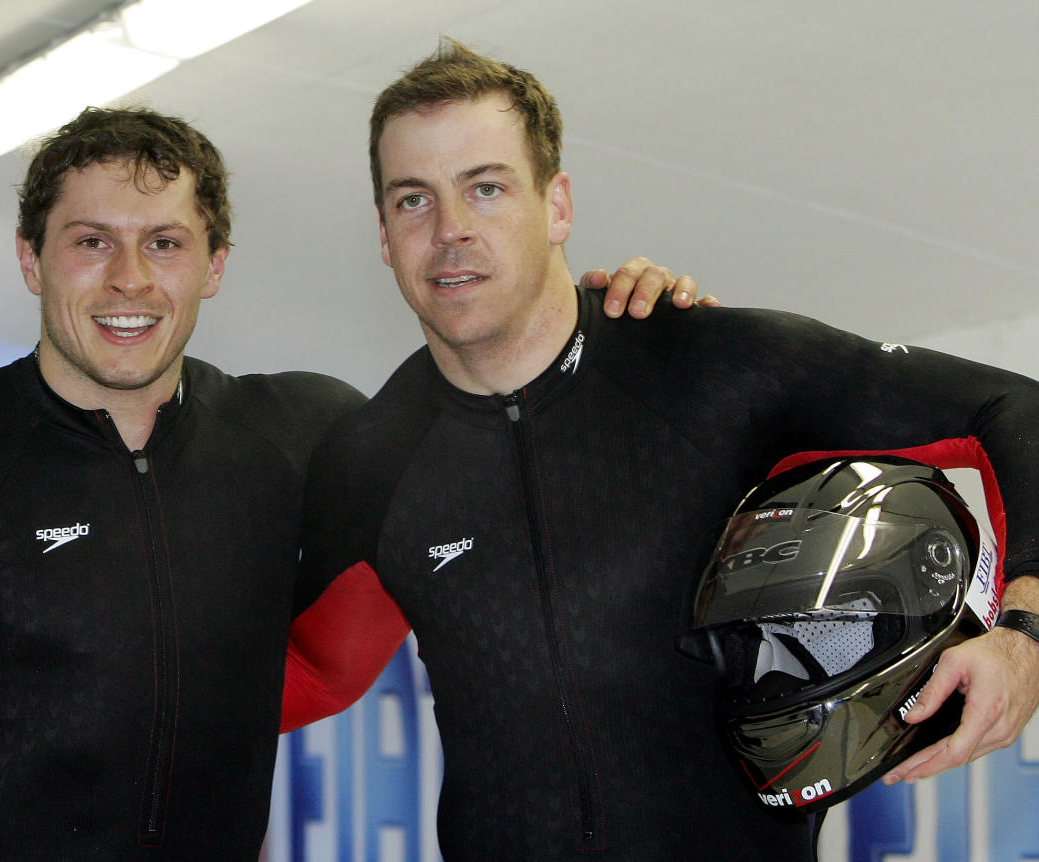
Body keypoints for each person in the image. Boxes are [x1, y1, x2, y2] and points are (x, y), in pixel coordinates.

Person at [0, 106, 701, 859]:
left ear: (214, 265)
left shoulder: (303, 433)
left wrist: (622, 324)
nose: (130, 279)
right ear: (31, 259)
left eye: (165, 242)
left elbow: (502, 406)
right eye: (89, 241)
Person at [293, 40, 1039, 861]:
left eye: (488, 187)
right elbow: (286, 673)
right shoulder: (369, 461)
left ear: (558, 205)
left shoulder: (709, 365)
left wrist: (1025, 631)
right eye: (413, 200)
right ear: (384, 233)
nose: (451, 231)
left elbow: (1015, 409)